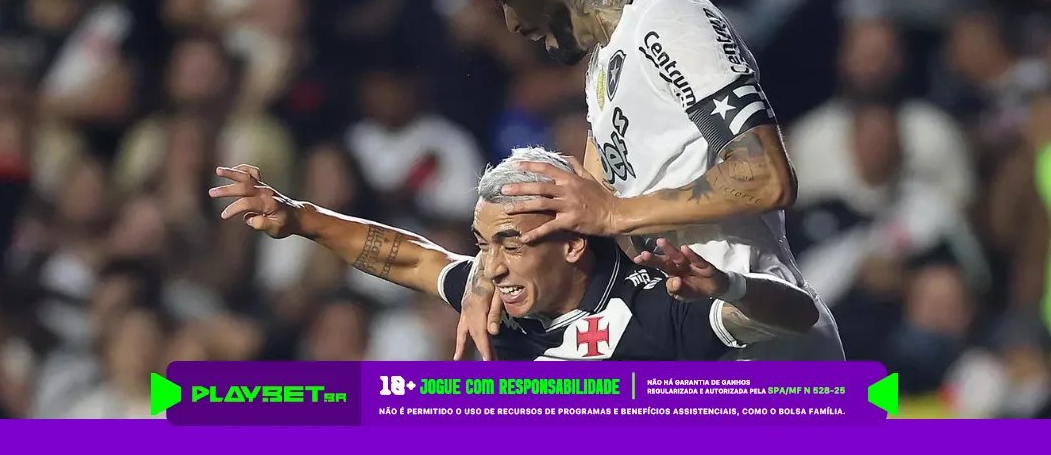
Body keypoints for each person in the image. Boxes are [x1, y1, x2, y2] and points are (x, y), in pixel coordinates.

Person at [457, 0, 843, 362]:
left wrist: (618, 213)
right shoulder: (603, 66)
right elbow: (583, 213)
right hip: (694, 344)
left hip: (766, 342)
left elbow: (766, 175)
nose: (512, 24)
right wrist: (483, 277)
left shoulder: (669, 18)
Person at [208, 148, 818, 361]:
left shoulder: (659, 303)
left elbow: (800, 314)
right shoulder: (496, 302)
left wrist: (730, 286)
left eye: (511, 243)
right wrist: (300, 217)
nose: (492, 267)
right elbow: (411, 258)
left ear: (573, 242)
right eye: (483, 245)